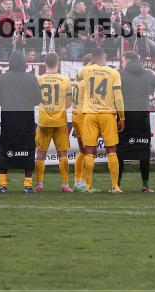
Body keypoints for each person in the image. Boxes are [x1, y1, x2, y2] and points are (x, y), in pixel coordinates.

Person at [76, 48, 125, 193]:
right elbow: (119, 97)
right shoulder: (114, 72)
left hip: (90, 114)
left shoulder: (86, 70)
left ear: (93, 57)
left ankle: (88, 186)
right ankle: (115, 186)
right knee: (111, 150)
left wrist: (90, 64)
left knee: (89, 151)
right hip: (108, 115)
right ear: (105, 56)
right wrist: (122, 116)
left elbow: (77, 77)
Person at [0, 50, 40, 192]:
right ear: (24, 63)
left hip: (8, 120)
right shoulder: (32, 79)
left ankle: (3, 185)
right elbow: (38, 100)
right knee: (28, 151)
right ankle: (27, 185)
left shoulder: (2, 79)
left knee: (5, 150)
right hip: (26, 121)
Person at [119, 51, 155, 192]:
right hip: (142, 118)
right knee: (143, 151)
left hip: (124, 118)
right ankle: (145, 185)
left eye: (122, 61)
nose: (122, 63)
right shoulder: (148, 74)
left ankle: (117, 185)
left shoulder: (120, 74)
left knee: (120, 151)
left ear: (126, 61)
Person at [34, 52, 73, 193]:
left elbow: (36, 100)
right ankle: (65, 184)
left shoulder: (39, 79)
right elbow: (68, 103)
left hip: (44, 121)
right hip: (60, 121)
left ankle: (39, 185)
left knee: (40, 154)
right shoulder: (65, 80)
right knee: (62, 154)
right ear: (58, 63)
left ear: (44, 63)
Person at [71, 53, 94, 191]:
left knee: (82, 151)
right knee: (88, 150)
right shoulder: (86, 79)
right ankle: (85, 183)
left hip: (75, 115)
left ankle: (78, 181)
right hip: (83, 116)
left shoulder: (78, 77)